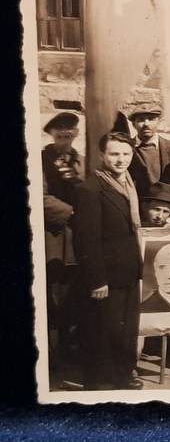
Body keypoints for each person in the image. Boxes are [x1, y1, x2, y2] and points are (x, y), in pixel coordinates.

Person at [72, 131, 142, 390]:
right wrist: (97, 280)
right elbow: (86, 240)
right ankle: (99, 385)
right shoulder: (90, 189)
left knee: (125, 331)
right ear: (101, 155)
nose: (120, 159)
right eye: (114, 154)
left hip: (129, 271)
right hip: (107, 275)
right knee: (103, 331)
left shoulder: (130, 184)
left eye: (126, 154)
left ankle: (123, 376)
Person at [42, 112, 83, 358]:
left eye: (71, 128)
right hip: (53, 234)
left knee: (73, 289)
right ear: (52, 134)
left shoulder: (83, 161)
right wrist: (69, 211)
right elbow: (38, 195)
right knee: (51, 289)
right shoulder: (40, 160)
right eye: (60, 129)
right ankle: (49, 348)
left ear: (76, 133)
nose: (65, 133)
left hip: (77, 236)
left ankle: (66, 344)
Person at [126, 103, 170, 200]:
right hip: (135, 204)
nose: (146, 124)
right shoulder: (126, 148)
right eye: (141, 119)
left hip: (163, 206)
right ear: (134, 124)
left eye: (151, 119)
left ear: (159, 122)